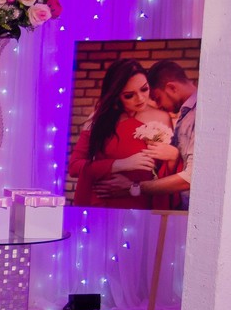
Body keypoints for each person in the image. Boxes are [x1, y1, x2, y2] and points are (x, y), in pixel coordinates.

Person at [68, 58, 177, 210]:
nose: (140, 98)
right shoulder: (99, 119)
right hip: (103, 204)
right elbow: (74, 167)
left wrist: (173, 157)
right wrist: (120, 164)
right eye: (129, 95)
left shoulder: (162, 118)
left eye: (144, 89)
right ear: (116, 95)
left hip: (141, 204)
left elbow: (166, 174)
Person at [94, 59, 195, 209]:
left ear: (172, 88)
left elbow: (189, 176)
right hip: (109, 199)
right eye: (129, 95)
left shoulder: (191, 115)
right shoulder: (186, 114)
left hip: (149, 202)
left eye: (156, 98)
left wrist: (134, 187)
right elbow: (80, 165)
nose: (158, 105)